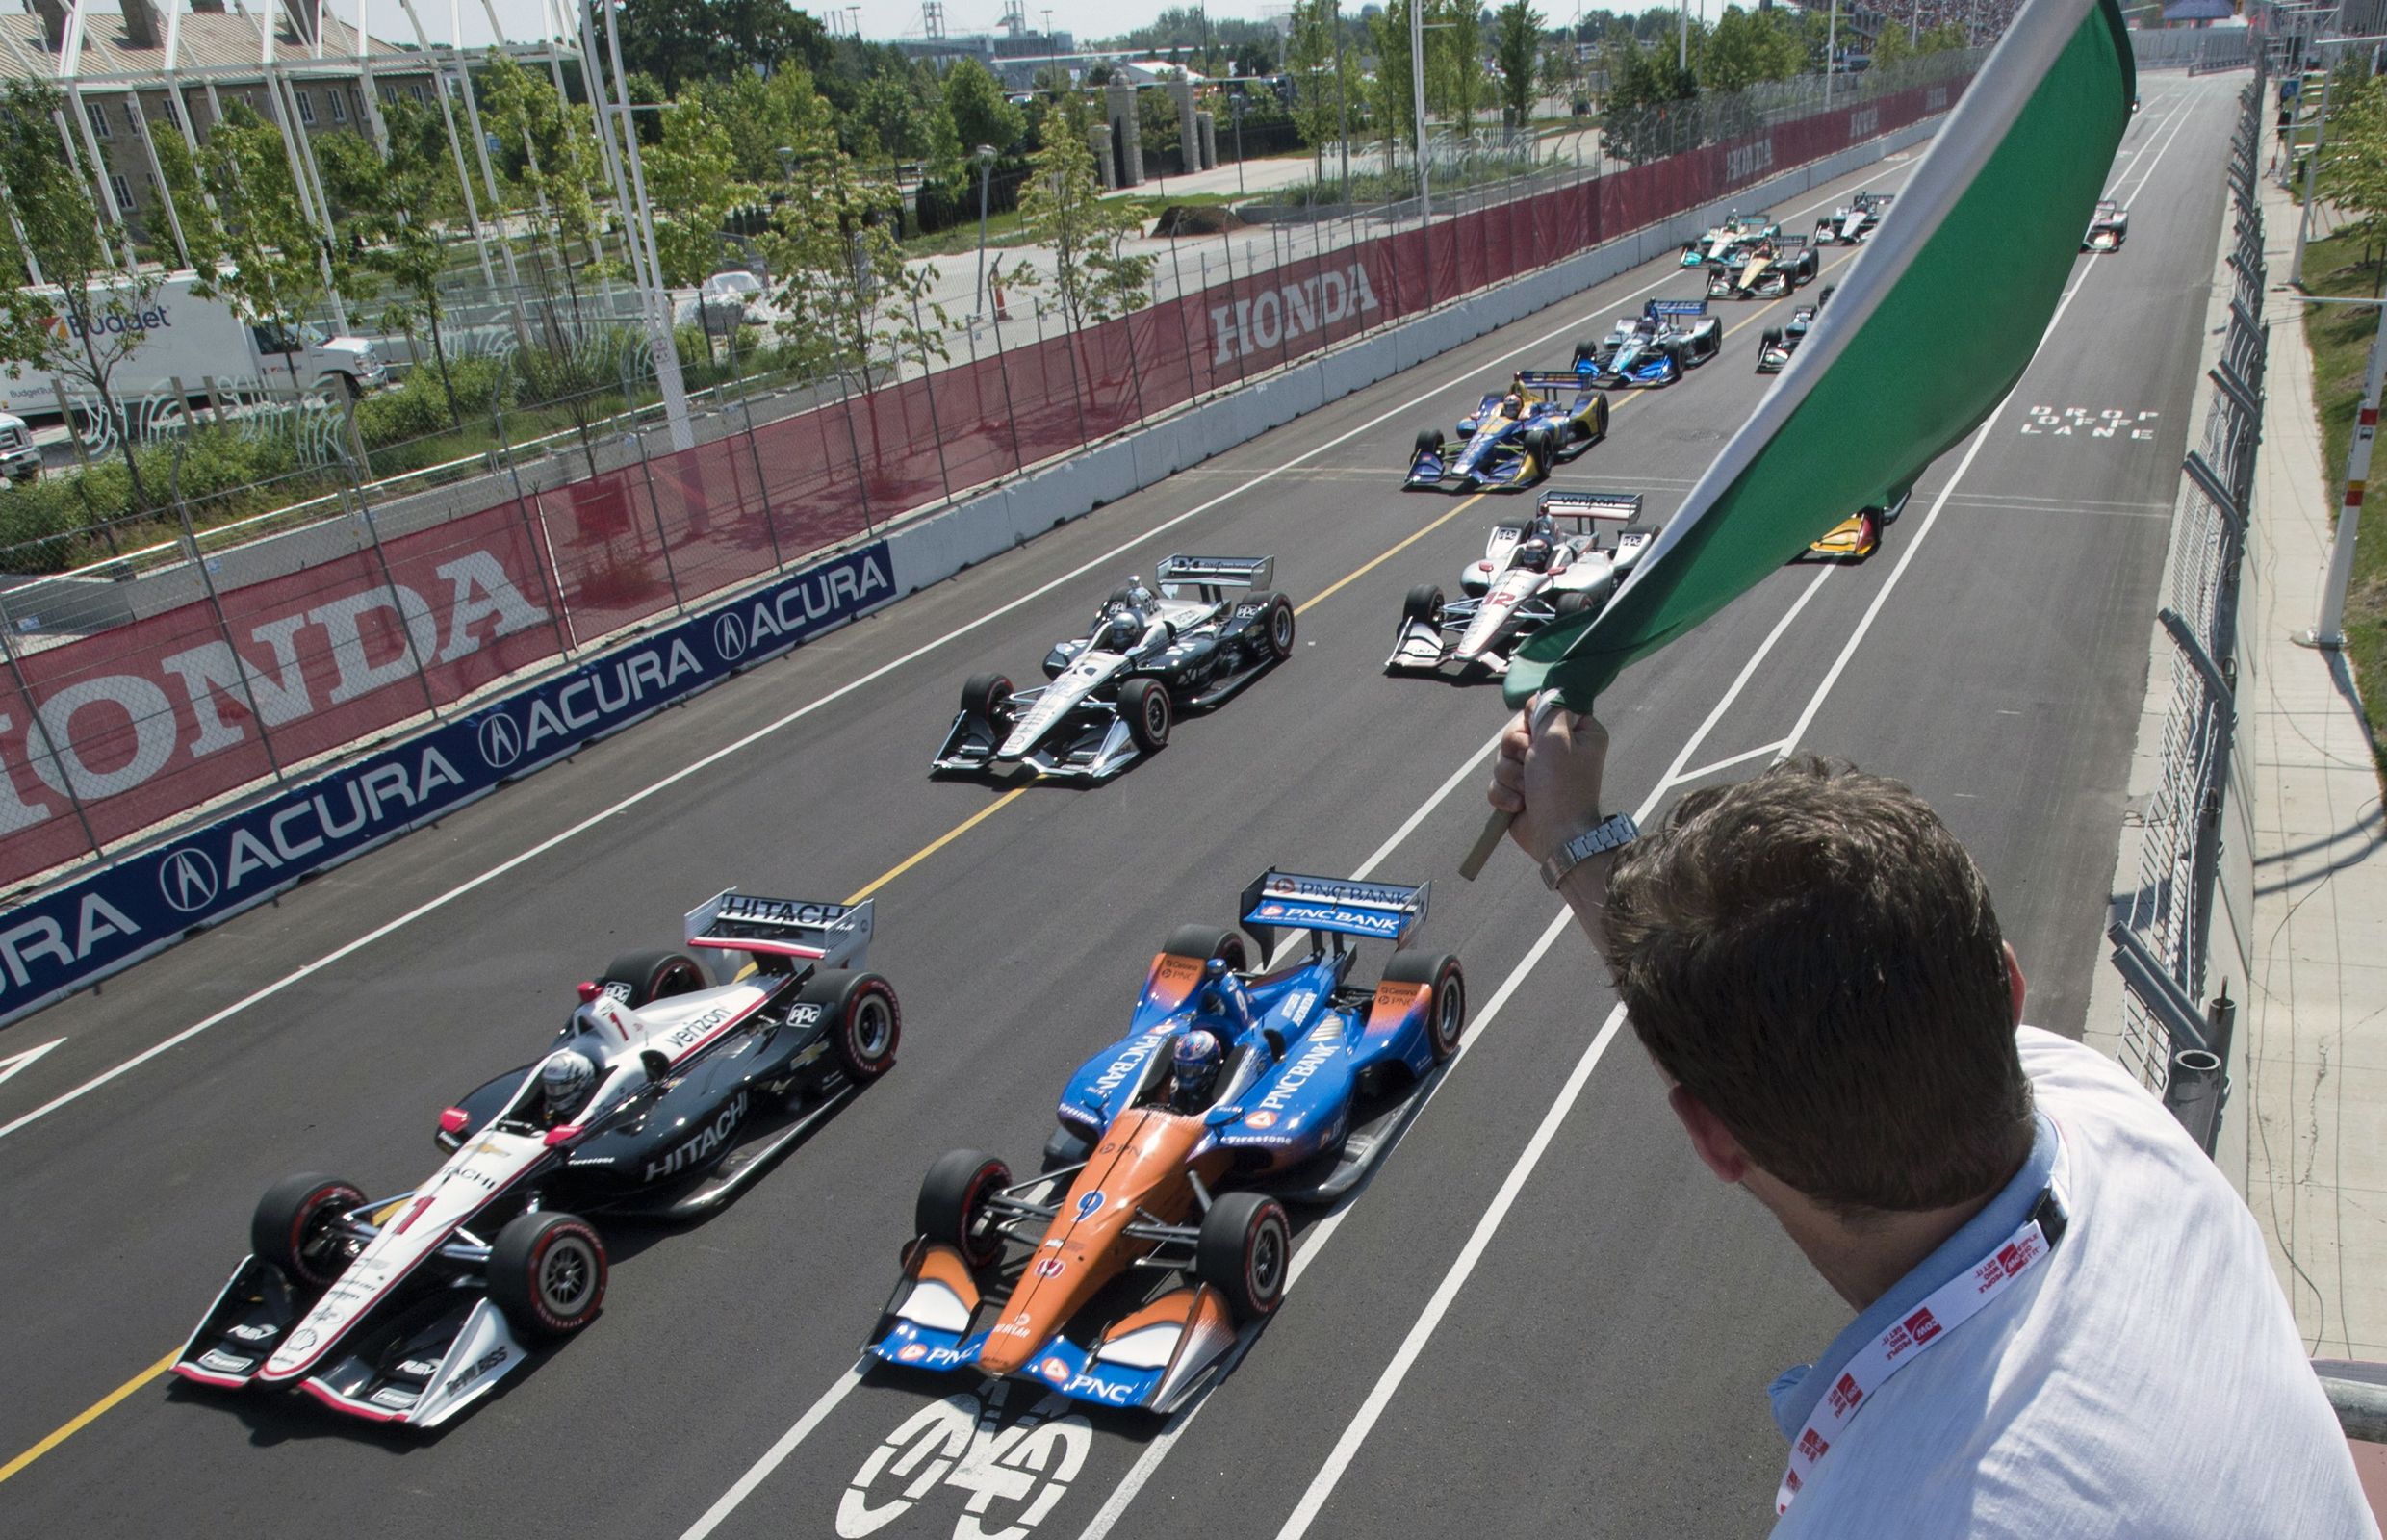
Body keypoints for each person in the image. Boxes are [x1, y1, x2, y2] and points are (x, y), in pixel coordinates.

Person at [1486, 707, 2376, 1537]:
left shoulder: (1880, 1518)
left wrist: (1573, 837)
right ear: (2011, 990)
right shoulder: (2110, 1109)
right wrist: (1572, 843)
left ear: (1715, 1142)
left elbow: (1730, 1022)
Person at [1167, 1027, 1228, 1115]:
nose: (1186, 1075)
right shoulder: (1173, 1087)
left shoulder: (1221, 1092)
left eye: (1193, 1070)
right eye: (1182, 1069)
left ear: (1210, 1067)